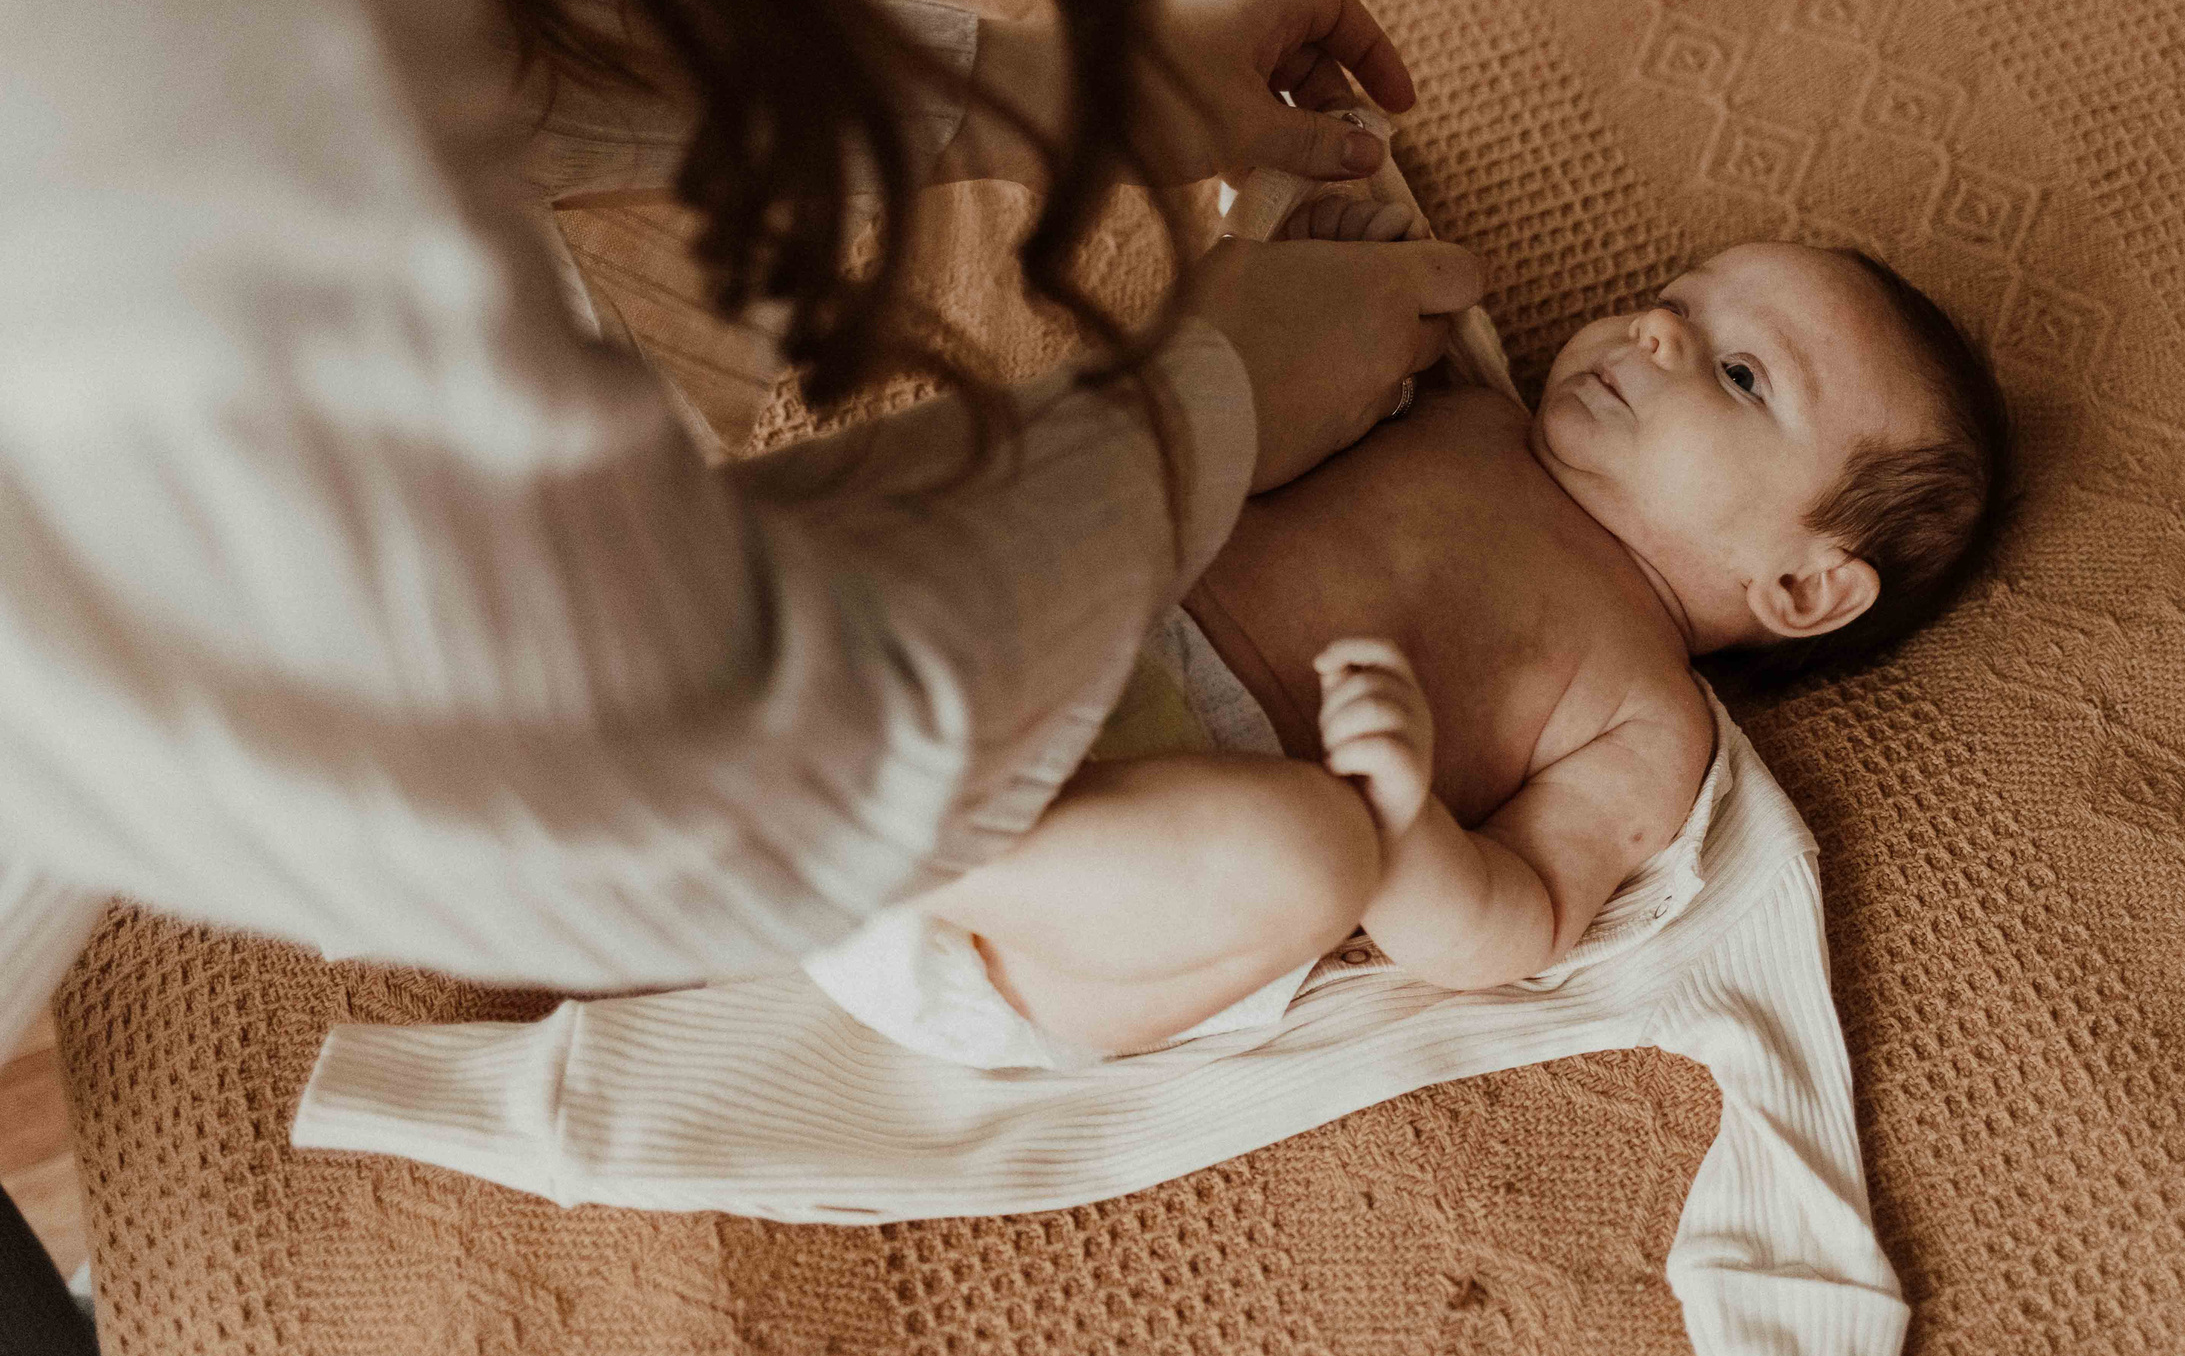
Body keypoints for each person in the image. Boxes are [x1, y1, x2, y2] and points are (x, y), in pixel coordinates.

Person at [0, 0, 1481, 1356]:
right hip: (890, 841)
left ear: (1809, 587)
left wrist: (1056, 93)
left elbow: (416, 40)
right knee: (1293, 857)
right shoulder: (150, 28)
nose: (1652, 342)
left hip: (958, 782)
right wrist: (1208, 398)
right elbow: (706, 765)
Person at [816, 229, 2012, 1066]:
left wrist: (1400, 828)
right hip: (1014, 654)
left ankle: (884, 828)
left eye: (1741, 374)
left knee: (1304, 853)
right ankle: (810, 730)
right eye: (1679, 301)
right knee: (1031, 478)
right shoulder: (1465, 408)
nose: (1653, 329)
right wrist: (1330, 243)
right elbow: (1269, 375)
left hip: (1075, 902)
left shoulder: (1651, 720)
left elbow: (1518, 923)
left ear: (1803, 584)